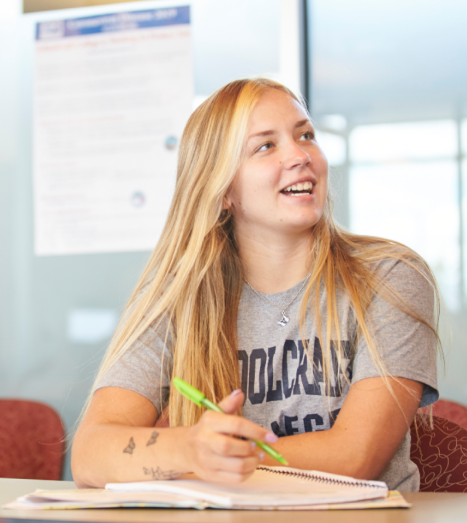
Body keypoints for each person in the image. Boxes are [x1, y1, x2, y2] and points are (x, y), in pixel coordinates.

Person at [71, 78, 440, 491]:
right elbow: (90, 456)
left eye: (306, 135)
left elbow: (355, 456)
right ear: (224, 189)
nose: (300, 155)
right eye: (266, 146)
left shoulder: (389, 276)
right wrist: (190, 450)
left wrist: (215, 460)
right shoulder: (179, 297)